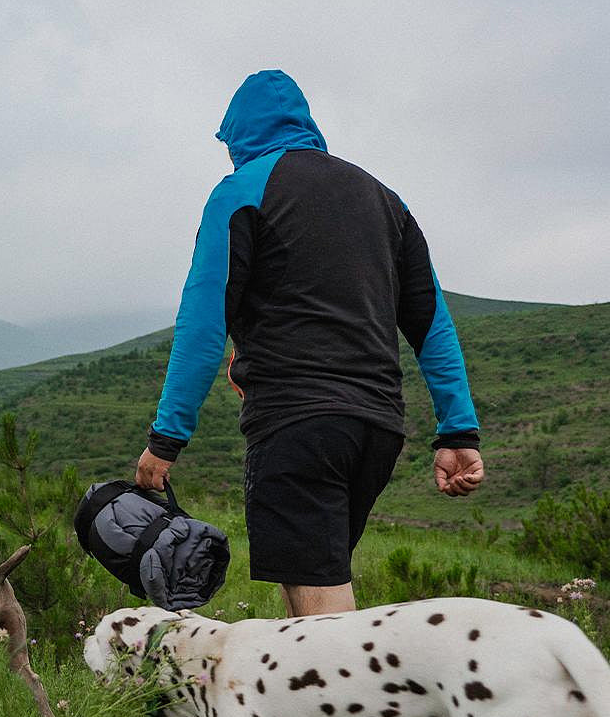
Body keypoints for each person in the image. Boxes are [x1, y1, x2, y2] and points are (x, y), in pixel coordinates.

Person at [135, 69, 483, 620]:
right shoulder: (385, 199)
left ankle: (359, 703)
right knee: (314, 586)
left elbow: (201, 326)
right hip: (377, 429)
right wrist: (457, 431)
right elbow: (432, 324)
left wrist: (166, 439)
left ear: (239, 135)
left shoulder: (241, 192)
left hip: (298, 425)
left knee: (323, 620)